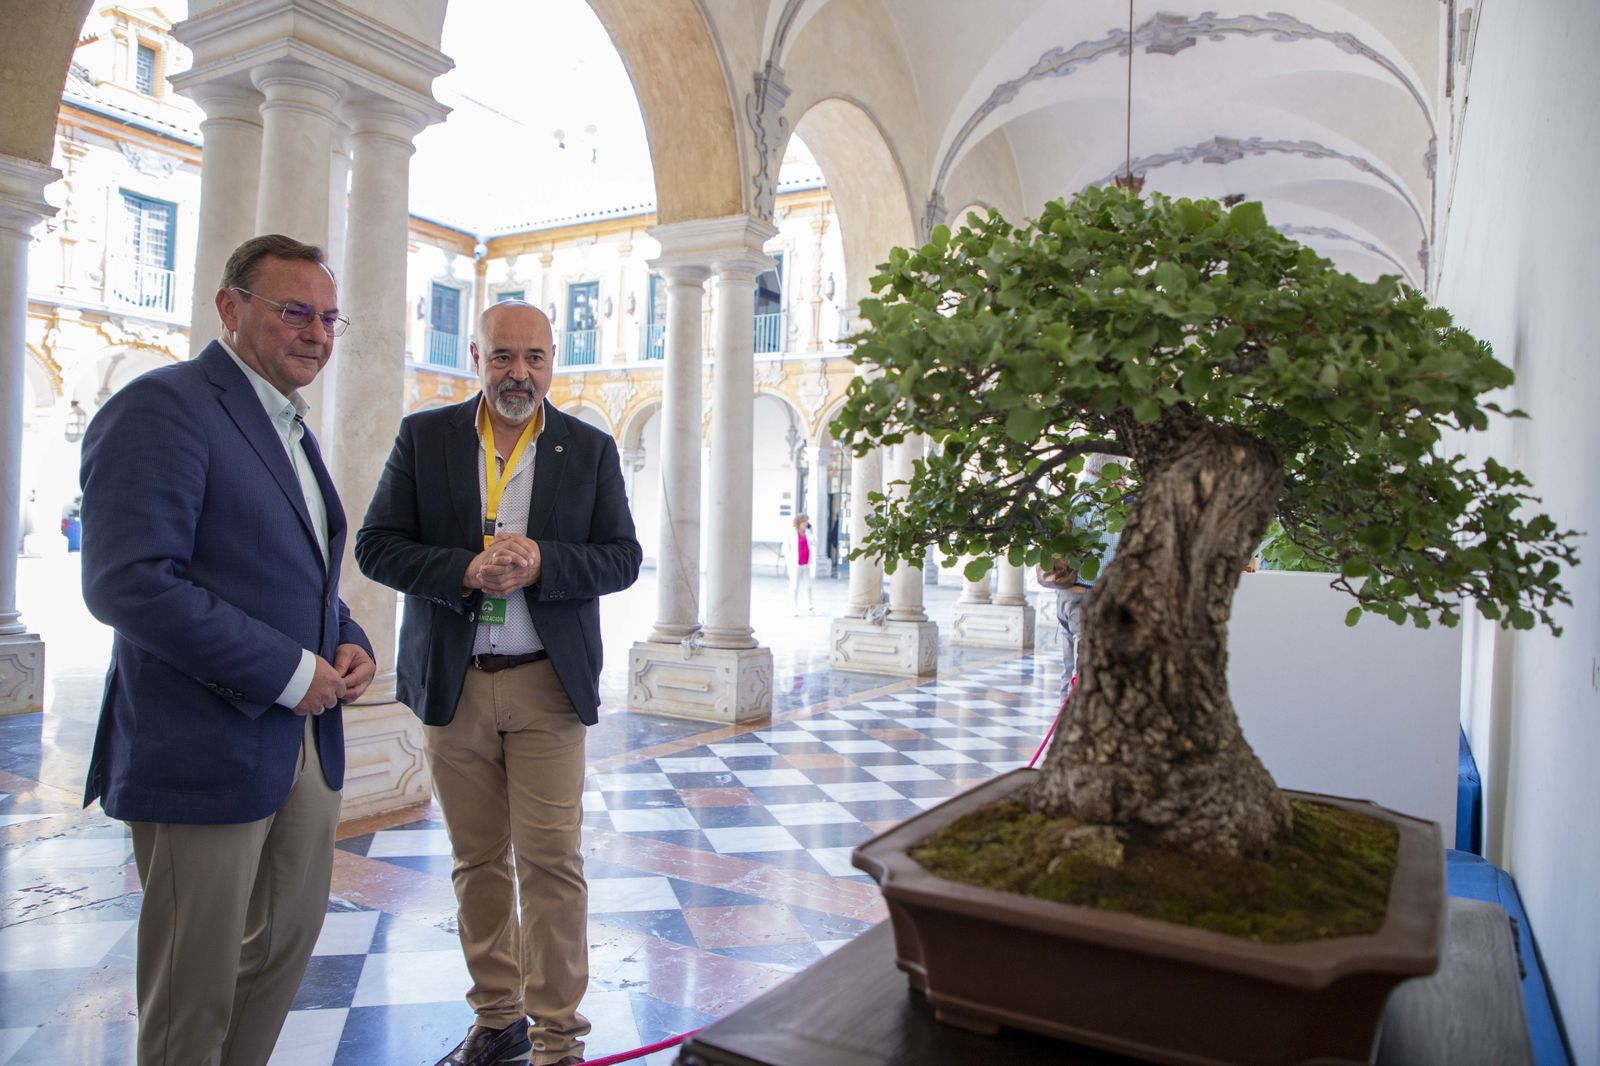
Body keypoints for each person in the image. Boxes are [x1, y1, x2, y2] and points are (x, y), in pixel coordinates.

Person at [78, 233, 376, 1066]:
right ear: (230, 309)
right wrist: (290, 673)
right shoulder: (164, 407)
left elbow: (290, 574)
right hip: (202, 743)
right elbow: (130, 583)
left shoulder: (287, 425)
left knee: (282, 948)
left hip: (303, 744)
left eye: (327, 316)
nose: (315, 332)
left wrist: (348, 643)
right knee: (192, 990)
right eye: (292, 311)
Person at [356, 300, 641, 1066]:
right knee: (477, 861)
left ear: (554, 361)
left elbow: (622, 557)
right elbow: (376, 547)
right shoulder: (427, 439)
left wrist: (545, 562)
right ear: (476, 357)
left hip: (547, 685)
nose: (520, 373)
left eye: (535, 358)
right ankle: (498, 1018)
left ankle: (558, 1040)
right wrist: (462, 570)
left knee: (552, 861)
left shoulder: (588, 448)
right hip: (454, 683)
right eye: (503, 357)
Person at [1037, 453, 1120, 701]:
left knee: (1070, 669)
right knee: (1086, 672)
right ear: (1111, 471)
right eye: (1123, 471)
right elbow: (1109, 556)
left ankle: (1065, 729)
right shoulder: (1102, 506)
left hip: (1067, 595)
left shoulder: (1071, 497)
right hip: (1087, 597)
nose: (1125, 478)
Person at [789, 512, 815, 615]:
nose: (805, 524)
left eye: (806, 522)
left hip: (805, 564)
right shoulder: (792, 533)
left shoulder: (808, 533)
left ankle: (810, 606)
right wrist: (790, 560)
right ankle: (794, 607)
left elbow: (815, 542)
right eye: (804, 522)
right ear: (798, 523)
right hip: (796, 564)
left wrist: (811, 531)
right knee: (795, 586)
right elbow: (785, 547)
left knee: (808, 586)